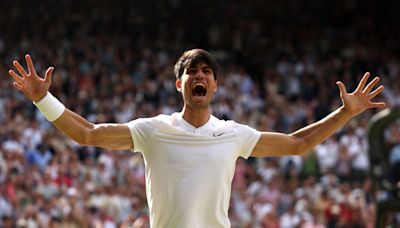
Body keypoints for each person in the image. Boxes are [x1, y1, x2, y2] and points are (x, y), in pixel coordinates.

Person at [8, 49, 385, 227]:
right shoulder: (153, 129)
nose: (199, 75)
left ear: (215, 84)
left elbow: (297, 143)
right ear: (180, 83)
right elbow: (88, 134)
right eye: (191, 71)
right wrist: (43, 98)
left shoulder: (233, 134)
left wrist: (346, 113)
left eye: (206, 71)